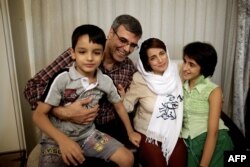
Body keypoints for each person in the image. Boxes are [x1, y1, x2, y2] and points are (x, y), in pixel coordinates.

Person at [24, 14, 142, 166]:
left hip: (101, 129)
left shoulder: (128, 67)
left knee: (128, 158)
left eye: (133, 45)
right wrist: (62, 111)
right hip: (66, 127)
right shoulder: (74, 60)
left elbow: (123, 103)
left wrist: (127, 100)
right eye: (123, 40)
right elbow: (32, 87)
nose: (127, 49)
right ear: (111, 33)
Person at [122, 38, 187, 167]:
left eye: (162, 53)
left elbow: (198, 72)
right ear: (147, 62)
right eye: (153, 58)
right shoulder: (140, 79)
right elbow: (126, 107)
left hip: (173, 131)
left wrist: (212, 93)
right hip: (148, 132)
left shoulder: (179, 70)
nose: (160, 60)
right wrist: (121, 98)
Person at [180, 41, 234, 167]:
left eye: (191, 64)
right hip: (190, 143)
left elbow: (213, 132)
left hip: (216, 142)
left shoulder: (214, 90)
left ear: (203, 67)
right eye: (184, 61)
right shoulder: (180, 86)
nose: (184, 67)